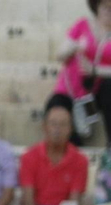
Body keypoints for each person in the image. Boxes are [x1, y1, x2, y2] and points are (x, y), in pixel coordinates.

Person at [47, 0, 111, 146]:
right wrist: (75, 46)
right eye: (105, 6)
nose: (109, 11)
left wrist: (94, 70)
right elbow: (60, 55)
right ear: (97, 6)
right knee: (55, 106)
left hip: (95, 95)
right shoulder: (83, 25)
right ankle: (68, 150)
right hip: (70, 91)